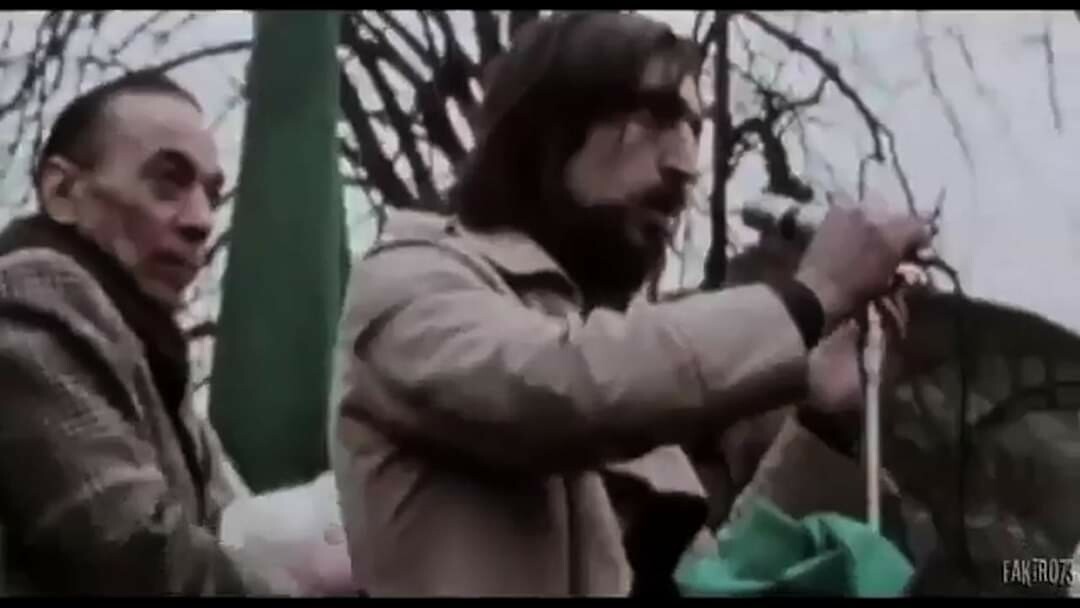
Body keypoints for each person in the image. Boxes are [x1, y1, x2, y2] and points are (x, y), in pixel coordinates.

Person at [330, 12, 930, 597]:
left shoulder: (623, 369)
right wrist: (808, 298)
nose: (685, 164)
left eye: (694, 129)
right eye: (654, 116)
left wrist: (820, 418)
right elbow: (563, 383)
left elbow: (709, 582)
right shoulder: (410, 279)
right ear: (548, 127)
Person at [0, 70, 350, 595]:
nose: (202, 221)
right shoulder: (30, 294)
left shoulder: (151, 350)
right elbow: (136, 556)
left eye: (212, 194)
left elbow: (227, 530)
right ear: (63, 191)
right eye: (167, 182)